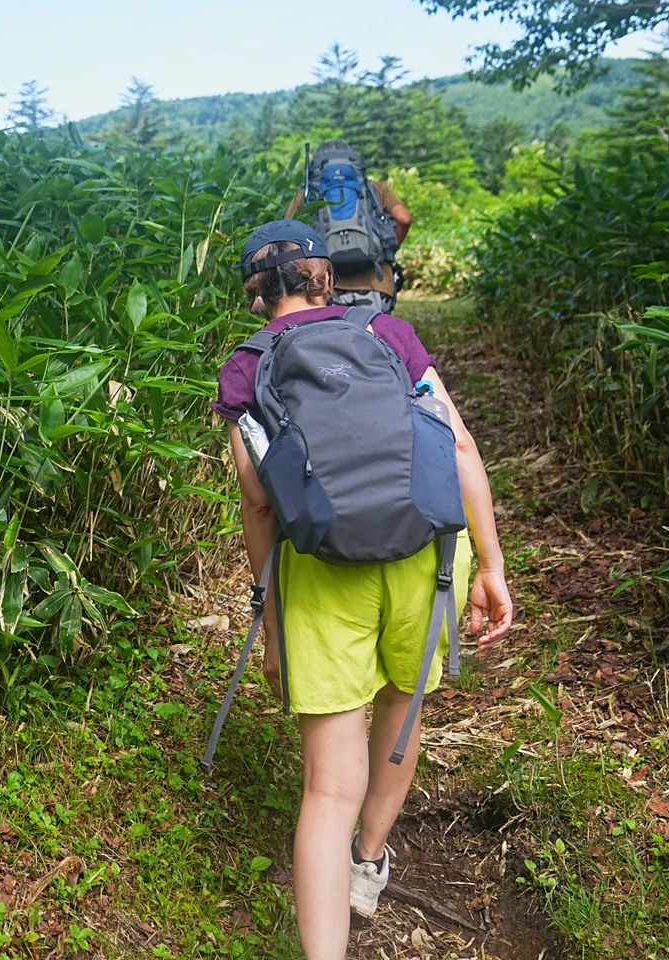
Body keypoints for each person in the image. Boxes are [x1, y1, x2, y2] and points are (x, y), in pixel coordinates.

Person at [212, 220, 513, 960]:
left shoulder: (247, 366)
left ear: (255, 298)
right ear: (328, 276)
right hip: (427, 554)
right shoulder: (387, 332)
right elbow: (460, 444)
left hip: (318, 568)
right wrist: (492, 566)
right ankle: (369, 863)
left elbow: (256, 503)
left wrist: (272, 620)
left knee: (325, 789)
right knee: (401, 709)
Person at [286, 145, 411, 312]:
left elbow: (286, 236)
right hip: (377, 285)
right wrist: (387, 250)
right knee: (374, 336)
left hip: (327, 288)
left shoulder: (308, 195)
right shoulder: (375, 189)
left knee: (334, 338)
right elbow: (404, 218)